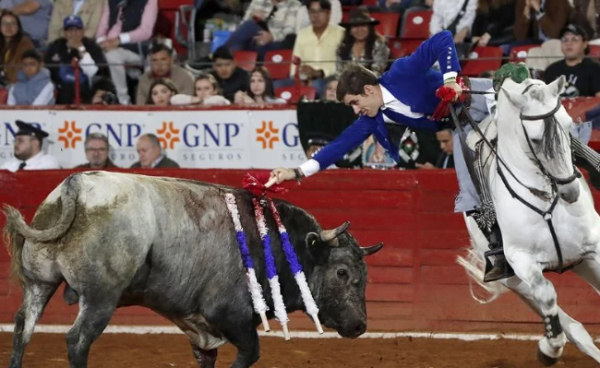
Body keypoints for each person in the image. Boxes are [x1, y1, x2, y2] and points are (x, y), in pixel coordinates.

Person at [268, 30, 511, 280]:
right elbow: (338, 146)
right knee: (469, 191)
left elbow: (444, 39)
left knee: (533, 117)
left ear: (368, 90)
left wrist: (450, 79)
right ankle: (500, 254)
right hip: (462, 128)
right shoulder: (375, 117)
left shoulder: (401, 72)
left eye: (354, 102)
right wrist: (297, 171)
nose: (355, 111)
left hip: (482, 100)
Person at [95, 0, 158, 105]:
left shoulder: (149, 1)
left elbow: (146, 31)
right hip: (109, 47)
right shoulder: (110, 1)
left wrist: (119, 40)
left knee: (112, 56)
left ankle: (123, 101)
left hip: (135, 49)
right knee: (86, 58)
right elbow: (102, 28)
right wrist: (102, 42)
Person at [45, 15, 109, 104]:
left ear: (83, 31)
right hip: (61, 89)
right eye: (69, 30)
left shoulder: (92, 46)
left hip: (86, 89)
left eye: (77, 29)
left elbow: (95, 72)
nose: (73, 33)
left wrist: (81, 49)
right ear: (64, 33)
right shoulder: (56, 46)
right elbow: (48, 69)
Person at [288, 0, 345, 97]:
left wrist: (319, 73)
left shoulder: (340, 33)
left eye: (320, 11)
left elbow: (343, 64)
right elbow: (295, 62)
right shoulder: (302, 34)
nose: (316, 15)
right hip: (304, 78)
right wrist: (298, 76)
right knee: (277, 85)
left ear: (329, 13)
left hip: (330, 77)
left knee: (316, 85)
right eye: (312, 12)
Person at [225, 0, 302, 60]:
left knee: (249, 26)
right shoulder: (258, 1)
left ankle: (223, 56)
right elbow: (242, 27)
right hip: (256, 40)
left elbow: (290, 31)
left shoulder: (294, 4)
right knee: (247, 28)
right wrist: (253, 17)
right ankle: (228, 62)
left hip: (276, 45)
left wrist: (272, 37)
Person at [544, 24, 600, 98]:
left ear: (585, 44)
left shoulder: (595, 68)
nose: (569, 43)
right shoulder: (551, 70)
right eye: (565, 40)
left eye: (575, 39)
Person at [337, 7, 389, 76]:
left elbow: (377, 73)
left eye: (363, 25)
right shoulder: (343, 46)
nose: (360, 30)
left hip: (372, 84)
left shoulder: (379, 45)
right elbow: (339, 72)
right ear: (350, 30)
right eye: (355, 26)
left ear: (369, 28)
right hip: (347, 84)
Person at [0, 10, 34, 85]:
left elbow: (23, 70)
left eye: (13, 23)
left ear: (18, 27)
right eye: (4, 23)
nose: (8, 27)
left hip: (16, 85)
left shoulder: (25, 43)